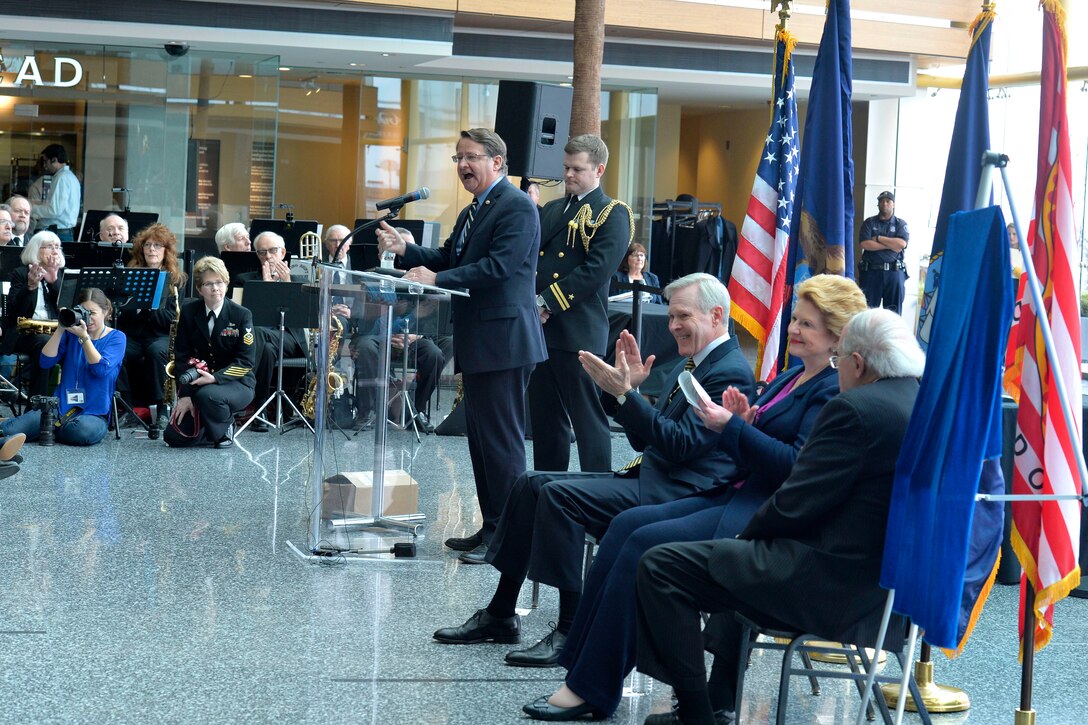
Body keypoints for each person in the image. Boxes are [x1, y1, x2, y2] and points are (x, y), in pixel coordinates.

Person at [521, 275, 867, 720]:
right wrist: (744, 425)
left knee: (644, 543)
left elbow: (797, 468)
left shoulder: (830, 390)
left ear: (839, 335)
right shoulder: (795, 376)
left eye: (808, 325)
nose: (794, 329)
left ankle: (592, 687)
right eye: (796, 319)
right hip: (735, 493)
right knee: (627, 527)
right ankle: (582, 670)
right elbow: (751, 444)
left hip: (762, 515)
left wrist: (736, 428)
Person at [431, 274, 754, 665]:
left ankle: (571, 628)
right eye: (670, 317)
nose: (673, 326)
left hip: (681, 495)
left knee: (558, 496)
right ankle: (501, 614)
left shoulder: (728, 370)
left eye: (682, 316)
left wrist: (627, 395)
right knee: (530, 483)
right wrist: (624, 394)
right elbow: (646, 441)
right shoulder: (696, 362)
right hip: (655, 476)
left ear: (717, 315)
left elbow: (682, 446)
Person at [633, 308, 925, 725]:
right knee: (729, 559)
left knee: (662, 565)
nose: (837, 368)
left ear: (858, 363)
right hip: (890, 593)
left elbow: (795, 501)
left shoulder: (854, 409)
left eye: (840, 359)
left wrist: (746, 538)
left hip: (829, 586)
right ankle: (717, 696)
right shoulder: (918, 403)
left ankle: (697, 715)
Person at [376, 127, 546, 556]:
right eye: (458, 158)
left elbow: (498, 268)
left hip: (505, 341)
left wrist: (437, 278)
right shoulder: (475, 209)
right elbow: (450, 258)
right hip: (482, 341)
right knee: (482, 441)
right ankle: (491, 528)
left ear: (497, 162)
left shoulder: (518, 207)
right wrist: (408, 250)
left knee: (502, 444)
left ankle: (508, 540)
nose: (463, 165)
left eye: (470, 157)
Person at [529, 134, 631, 474]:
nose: (569, 175)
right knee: (545, 421)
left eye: (577, 169)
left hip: (576, 332)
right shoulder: (555, 209)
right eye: (565, 168)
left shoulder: (612, 213)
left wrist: (546, 302)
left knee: (588, 420)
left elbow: (595, 272)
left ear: (599, 169)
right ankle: (548, 490)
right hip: (542, 330)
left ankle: (596, 493)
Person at [0, 287, 126, 447]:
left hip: (93, 413)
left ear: (106, 311)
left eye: (92, 313)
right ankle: (20, 436)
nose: (88, 319)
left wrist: (84, 337)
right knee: (12, 428)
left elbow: (99, 370)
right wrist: (61, 328)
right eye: (83, 313)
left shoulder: (117, 337)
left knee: (82, 431)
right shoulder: (71, 334)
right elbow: (45, 361)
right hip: (59, 409)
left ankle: (44, 430)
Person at [165, 256, 256, 449]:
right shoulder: (189, 312)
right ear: (199, 289)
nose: (215, 288)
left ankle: (225, 428)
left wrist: (215, 378)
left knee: (208, 396)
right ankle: (211, 429)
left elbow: (246, 363)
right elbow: (182, 356)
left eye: (219, 282)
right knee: (174, 437)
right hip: (197, 383)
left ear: (227, 283)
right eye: (208, 283)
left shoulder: (241, 315)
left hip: (236, 383)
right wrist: (185, 395)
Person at [116, 223, 186, 431]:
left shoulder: (176, 281)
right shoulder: (130, 276)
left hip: (161, 335)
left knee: (157, 352)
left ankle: (162, 411)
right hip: (135, 334)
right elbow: (122, 314)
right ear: (141, 249)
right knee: (117, 347)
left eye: (157, 245)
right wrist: (136, 305)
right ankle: (127, 408)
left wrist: (148, 305)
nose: (152, 249)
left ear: (166, 251)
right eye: (147, 245)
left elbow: (171, 318)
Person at [237, 231, 308, 432]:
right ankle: (260, 409)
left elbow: (302, 318)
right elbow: (245, 318)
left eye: (273, 251)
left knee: (258, 335)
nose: (268, 256)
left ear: (283, 252)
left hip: (290, 340)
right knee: (265, 347)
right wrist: (265, 288)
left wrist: (286, 286)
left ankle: (244, 393)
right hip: (263, 343)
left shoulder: (299, 279)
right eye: (262, 252)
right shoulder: (246, 280)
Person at [5, 232, 66, 395]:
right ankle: (38, 403)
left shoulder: (61, 274)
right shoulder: (21, 273)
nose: (55, 251)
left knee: (78, 342)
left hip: (55, 331)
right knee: (46, 344)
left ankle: (68, 400)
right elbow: (13, 313)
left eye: (57, 247)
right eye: (49, 246)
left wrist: (54, 282)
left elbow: (68, 310)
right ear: (35, 249)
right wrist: (30, 287)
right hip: (25, 333)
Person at [858, 190, 909, 313]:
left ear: (893, 204)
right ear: (878, 204)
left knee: (893, 315)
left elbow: (901, 244)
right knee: (866, 314)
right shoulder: (869, 222)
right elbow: (865, 244)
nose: (884, 203)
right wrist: (890, 245)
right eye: (881, 201)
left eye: (888, 201)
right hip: (871, 273)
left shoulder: (900, 224)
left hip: (894, 273)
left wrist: (879, 239)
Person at [30, 144, 81, 242]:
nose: (44, 165)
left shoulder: (62, 178)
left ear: (54, 160)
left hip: (58, 233)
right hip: (63, 232)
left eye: (45, 161)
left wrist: (31, 209)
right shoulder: (70, 177)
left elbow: (55, 210)